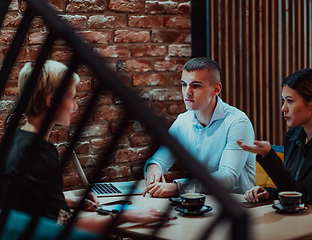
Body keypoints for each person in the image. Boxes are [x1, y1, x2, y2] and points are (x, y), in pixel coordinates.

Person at [0, 60, 175, 234]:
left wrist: (71, 202)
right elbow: (65, 226)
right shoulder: (39, 151)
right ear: (51, 102)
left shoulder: (14, 139)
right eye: (72, 98)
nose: (76, 106)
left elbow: (25, 202)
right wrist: (124, 216)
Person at [237, 69, 312, 239]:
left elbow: (301, 194)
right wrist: (269, 193)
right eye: (283, 100)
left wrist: (268, 155)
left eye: (290, 101)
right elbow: (293, 186)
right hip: (300, 222)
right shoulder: (294, 136)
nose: (283, 108)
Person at [143, 57, 256, 197]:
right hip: (198, 204)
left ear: (216, 89)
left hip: (237, 207)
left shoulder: (238, 122)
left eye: (196, 86)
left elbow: (228, 178)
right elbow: (159, 160)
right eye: (184, 84)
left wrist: (178, 187)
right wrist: (154, 169)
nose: (187, 92)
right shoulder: (182, 121)